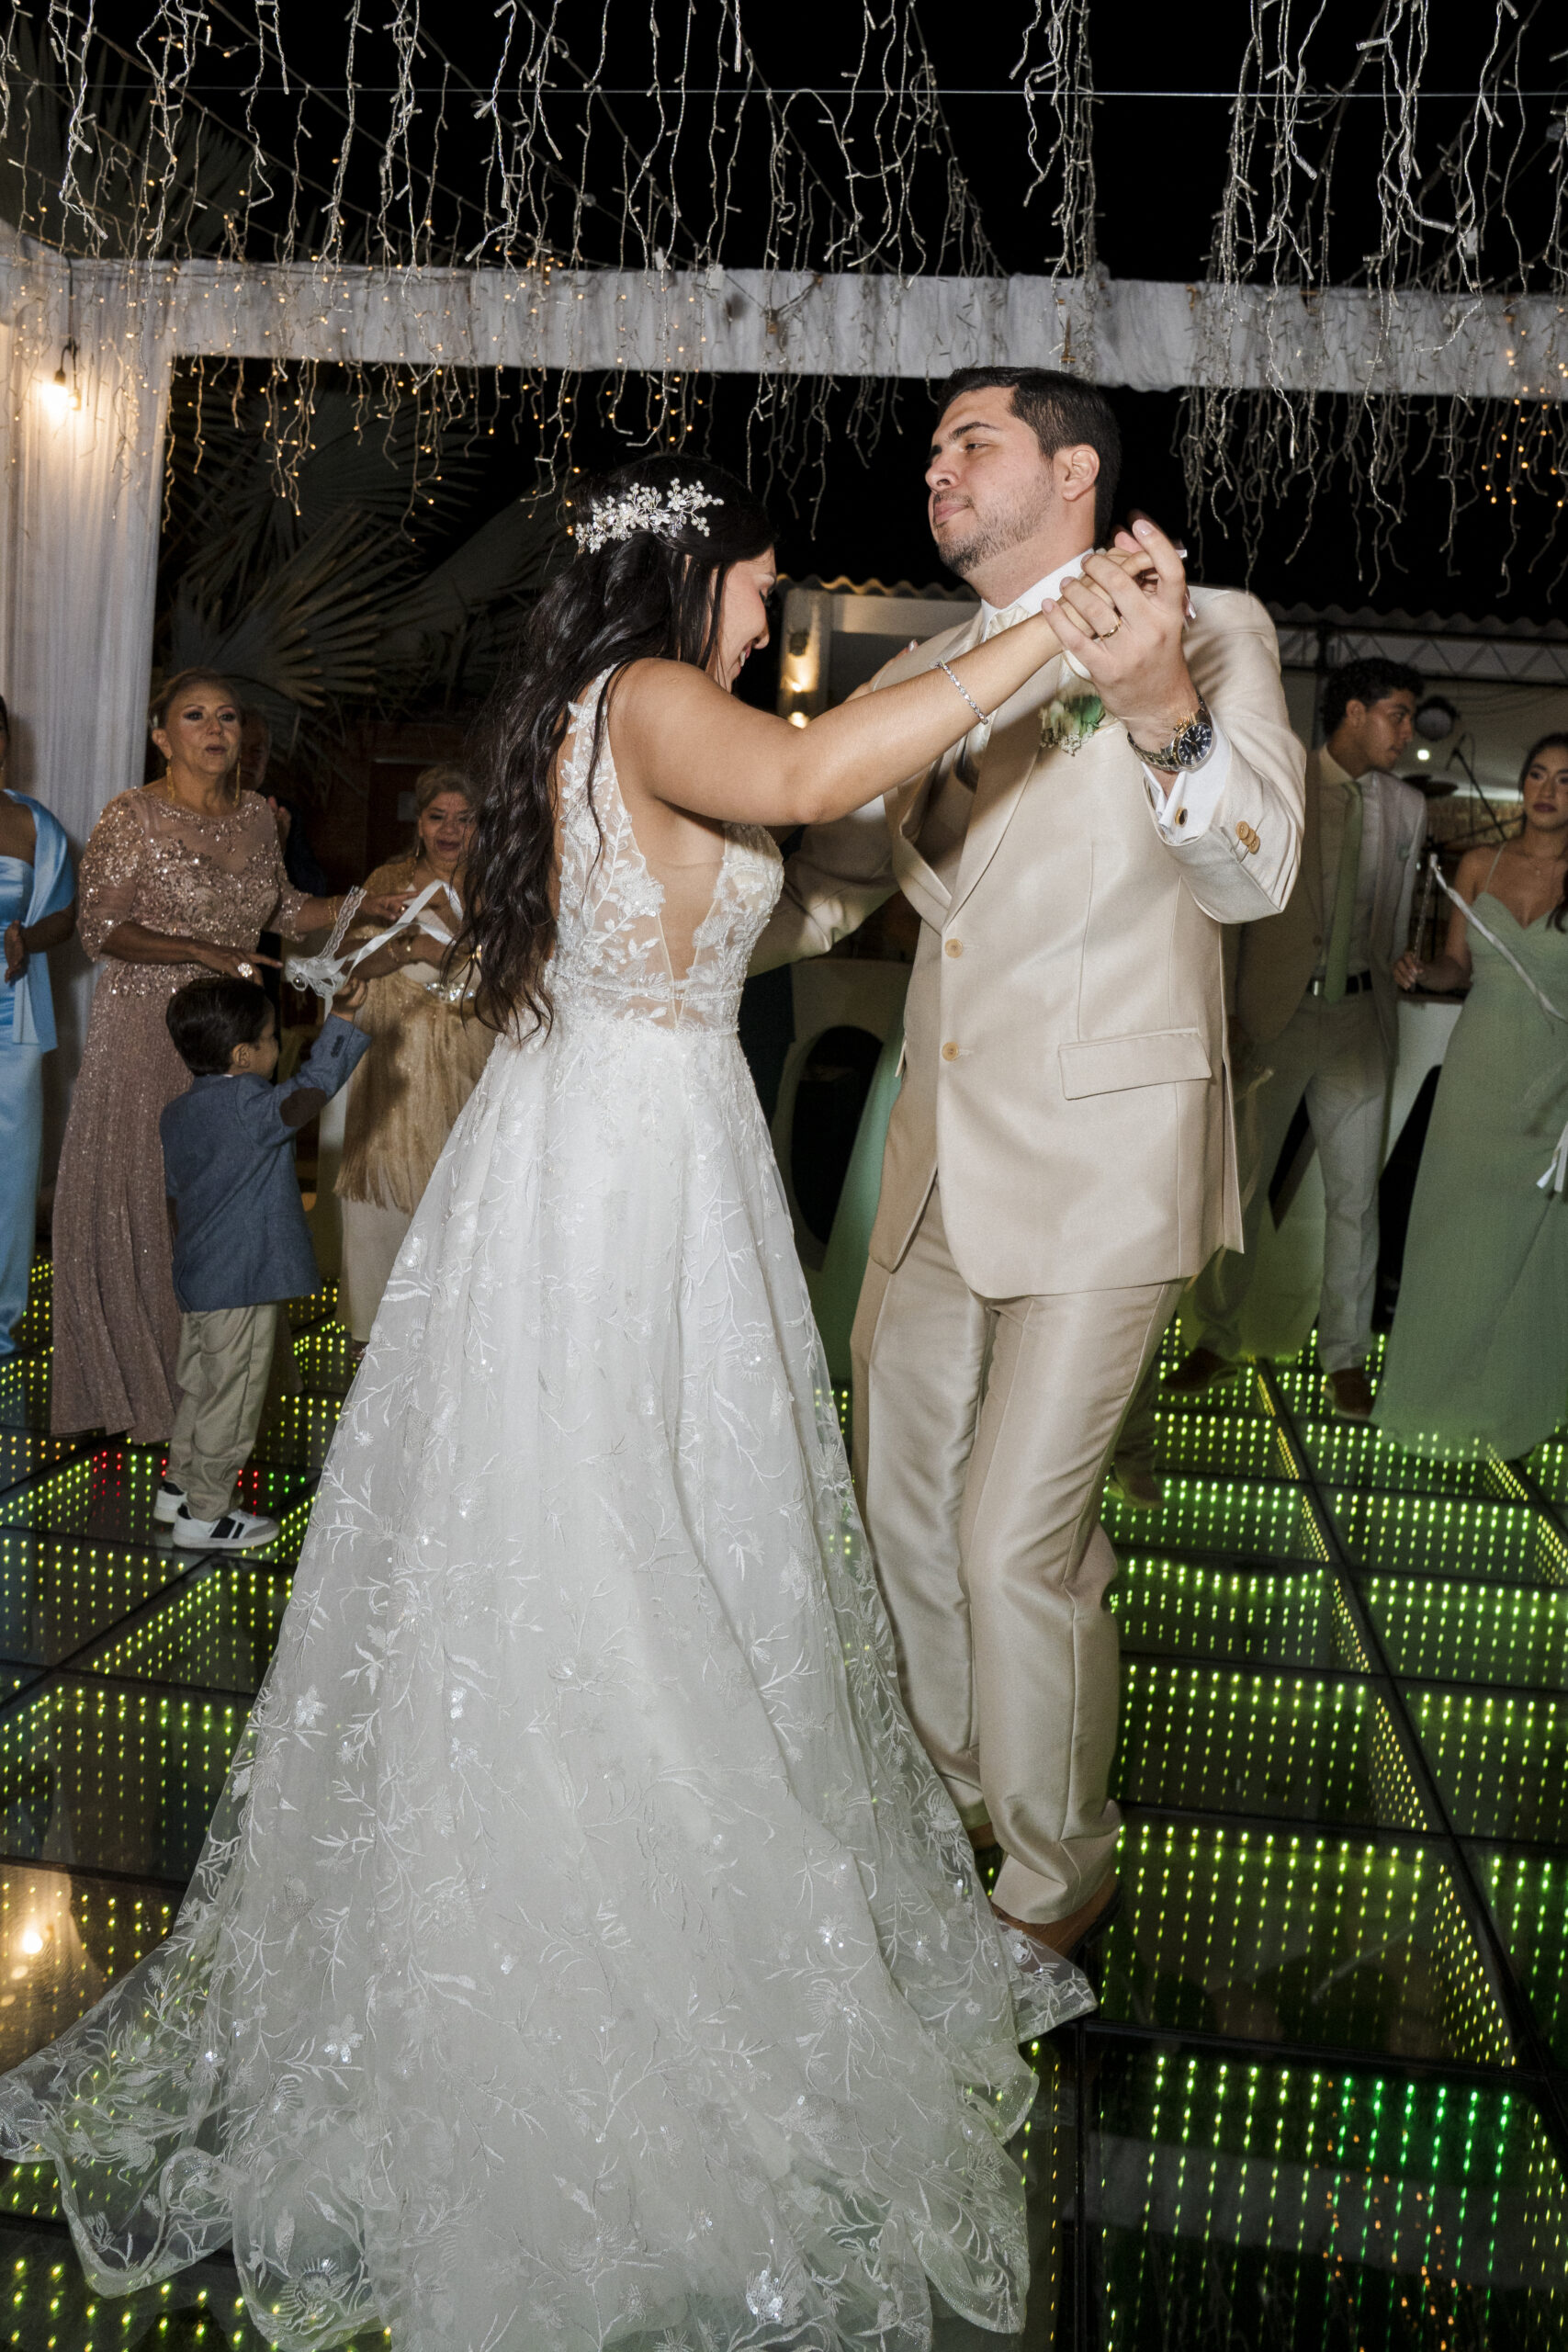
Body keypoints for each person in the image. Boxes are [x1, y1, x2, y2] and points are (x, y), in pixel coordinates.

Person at [0, 454, 1156, 2347]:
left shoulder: (596, 710)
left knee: (632, 1516)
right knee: (626, 1525)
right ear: (694, 574)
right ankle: (606, 1927)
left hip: (617, 1146)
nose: (770, 612)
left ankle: (604, 1874)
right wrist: (1037, 630)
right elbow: (812, 778)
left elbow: (765, 857)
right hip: (626, 1166)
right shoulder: (651, 695)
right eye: (760, 581)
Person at [752, 366, 1304, 1962]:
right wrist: (644, 957)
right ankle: (956, 1794)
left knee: (1017, 1542)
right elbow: (832, 884)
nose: (935, 468)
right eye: (931, 448)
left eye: (970, 441)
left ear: (1072, 472)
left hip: (1107, 1163)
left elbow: (1258, 873)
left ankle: (1057, 1875)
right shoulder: (925, 666)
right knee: (904, 1511)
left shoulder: (1212, 629)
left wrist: (1158, 710)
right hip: (932, 1160)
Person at [49, 671, 407, 1443]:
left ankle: (216, 1388)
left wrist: (356, 907)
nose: (215, 729)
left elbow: (284, 910)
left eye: (228, 717)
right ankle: (142, 1381)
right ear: (161, 736)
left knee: (230, 1195)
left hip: (236, 1031)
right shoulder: (132, 815)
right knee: (149, 1192)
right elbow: (100, 929)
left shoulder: (255, 817)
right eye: (194, 716)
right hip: (147, 1027)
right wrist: (198, 949)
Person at [1169, 657, 1426, 1418]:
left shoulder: (1408, 808)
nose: (1407, 732)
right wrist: (1231, 1013)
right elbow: (1235, 903)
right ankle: (1213, 1340)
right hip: (1274, 1016)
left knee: (1355, 1199)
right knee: (1240, 1190)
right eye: (1398, 714)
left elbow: (1395, 916)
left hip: (1360, 1019)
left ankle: (1345, 1356)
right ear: (1354, 712)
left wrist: (1399, 961)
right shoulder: (1279, 778)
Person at [1374, 734, 1568, 1459]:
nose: (1546, 790)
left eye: (1565, 780)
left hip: (1551, 1088)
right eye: (1536, 774)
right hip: (1474, 1077)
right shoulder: (1477, 864)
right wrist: (1424, 973)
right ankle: (1438, 1395)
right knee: (1453, 1237)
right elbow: (1457, 965)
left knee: (1531, 1245)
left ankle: (1510, 1401)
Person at [156, 974, 372, 1551]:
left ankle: (178, 1486)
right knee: (234, 1399)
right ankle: (207, 1513)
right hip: (242, 1282)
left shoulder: (177, 1113)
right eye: (273, 1037)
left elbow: (175, 1197)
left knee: (201, 1386)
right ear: (243, 1055)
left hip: (199, 1277)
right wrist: (341, 1020)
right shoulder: (249, 1106)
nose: (279, 1046)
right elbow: (311, 1090)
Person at [334, 763, 494, 1346]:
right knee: (382, 1209)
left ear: (481, 826)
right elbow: (345, 965)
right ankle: (373, 1349)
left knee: (460, 1208)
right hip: (394, 1068)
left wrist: (450, 947)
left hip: (472, 1065)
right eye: (437, 817)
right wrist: (410, 946)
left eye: (464, 819)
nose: (450, 830)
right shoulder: (390, 881)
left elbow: (517, 980)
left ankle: (447, 1354)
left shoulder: (498, 888)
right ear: (419, 823)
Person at [0, 697, 75, 1356]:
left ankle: (1, 1316)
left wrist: (27, 937)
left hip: (11, 1021)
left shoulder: (31, 822)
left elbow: (66, 916)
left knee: (12, 1173)